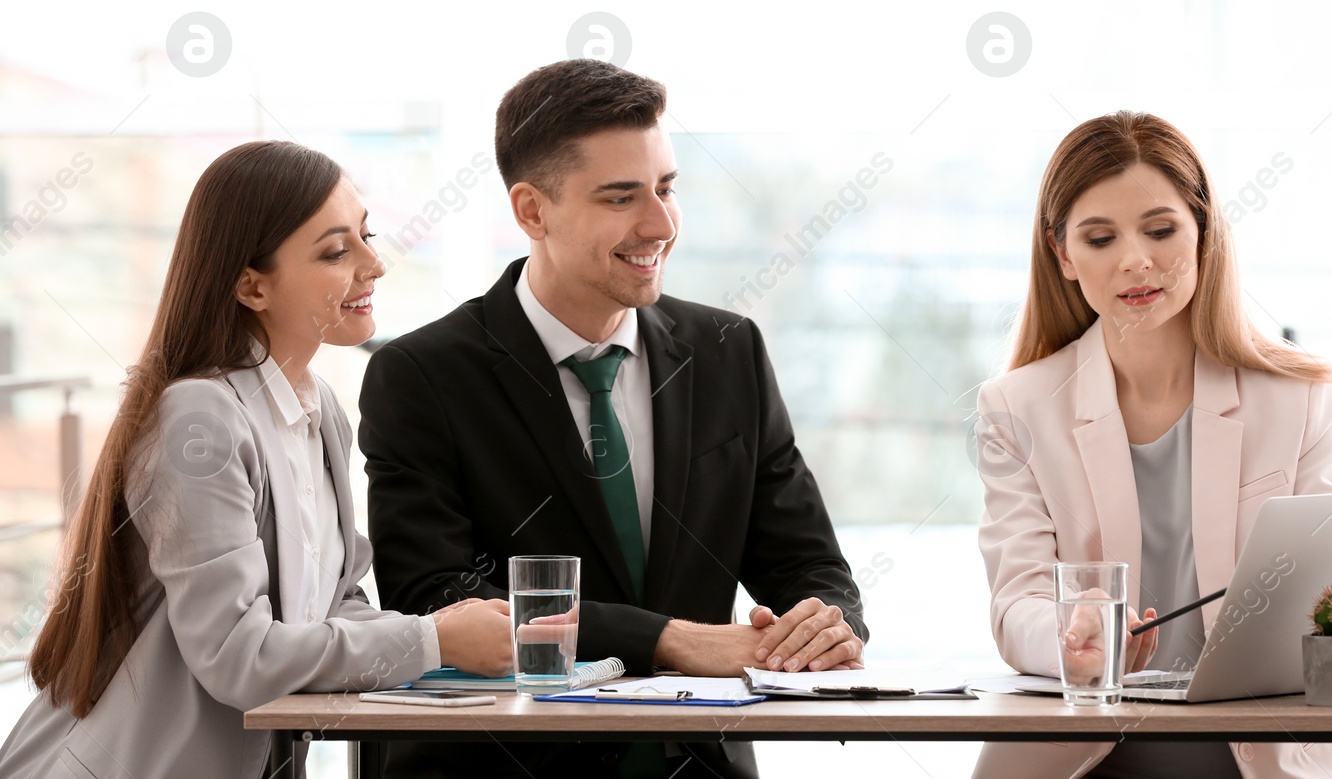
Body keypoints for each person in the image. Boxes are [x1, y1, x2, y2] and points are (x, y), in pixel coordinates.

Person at [359, 58, 866, 779]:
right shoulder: (422, 375)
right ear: (532, 210)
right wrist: (668, 637)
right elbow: (436, 598)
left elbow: (806, 563)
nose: (659, 223)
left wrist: (826, 624)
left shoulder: (728, 352)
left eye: (666, 188)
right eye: (621, 196)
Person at [973, 112, 1332, 779]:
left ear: (1203, 232)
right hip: (1082, 756)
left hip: (1271, 757)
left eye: (1160, 229)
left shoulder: (1299, 398)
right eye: (1100, 237)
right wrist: (1072, 637)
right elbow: (1015, 601)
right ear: (1063, 255)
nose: (1136, 259)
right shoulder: (1015, 408)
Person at [0, 141, 510, 779]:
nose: (375, 264)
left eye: (366, 236)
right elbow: (238, 657)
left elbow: (333, 602)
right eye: (336, 250)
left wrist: (451, 634)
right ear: (251, 284)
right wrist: (433, 642)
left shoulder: (317, 407)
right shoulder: (201, 418)